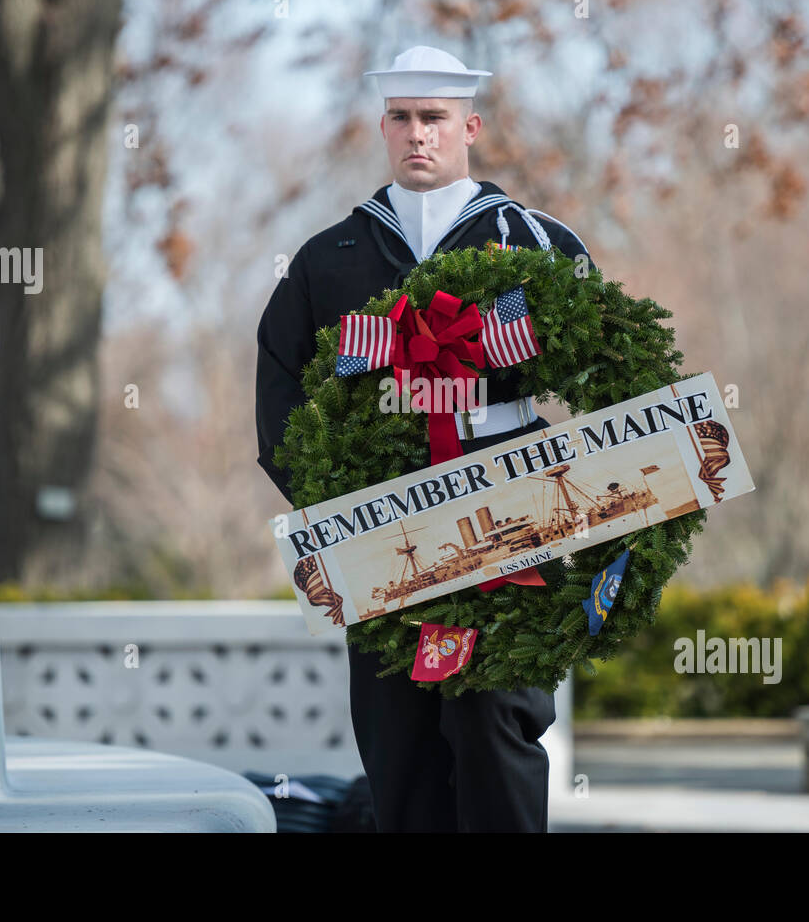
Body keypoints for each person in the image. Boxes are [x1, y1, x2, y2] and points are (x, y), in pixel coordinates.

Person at [254, 45, 594, 832]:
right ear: (383, 127)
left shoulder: (533, 245)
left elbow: (608, 366)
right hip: (385, 528)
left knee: (495, 718)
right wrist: (332, 507)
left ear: (469, 125)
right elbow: (281, 388)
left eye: (435, 118)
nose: (419, 135)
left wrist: (596, 495)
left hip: (511, 513)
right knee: (400, 743)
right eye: (403, 118)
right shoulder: (328, 260)